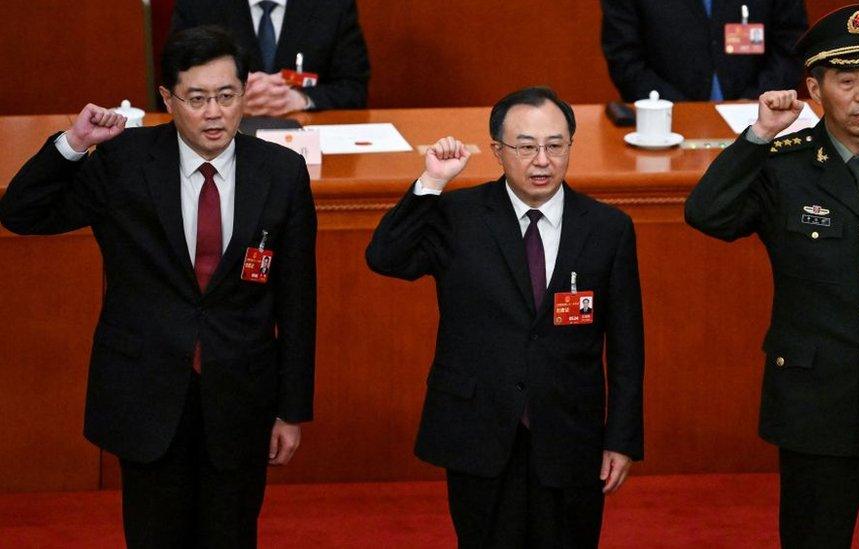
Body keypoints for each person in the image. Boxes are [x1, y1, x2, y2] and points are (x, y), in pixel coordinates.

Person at [0, 26, 317, 547]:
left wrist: (291, 409)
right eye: (196, 98)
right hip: (146, 393)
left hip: (241, 395)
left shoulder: (281, 172)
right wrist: (73, 145)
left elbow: (299, 299)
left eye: (226, 95)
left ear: (244, 93)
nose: (214, 113)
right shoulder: (124, 161)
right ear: (168, 99)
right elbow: (21, 213)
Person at [684, 5, 859, 548]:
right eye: (847, 81)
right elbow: (706, 214)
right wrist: (759, 134)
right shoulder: (782, 164)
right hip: (815, 406)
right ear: (814, 90)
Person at [366, 86, 645, 548]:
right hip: (479, 430)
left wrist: (622, 437)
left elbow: (627, 344)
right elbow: (385, 257)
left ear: (570, 146)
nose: (542, 160)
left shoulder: (607, 227)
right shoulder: (457, 214)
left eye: (555, 145)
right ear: (497, 151)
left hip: (570, 434)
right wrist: (431, 182)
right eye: (526, 147)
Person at [171, 0, 370, 115]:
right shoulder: (197, 4)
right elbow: (174, 82)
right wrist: (227, 99)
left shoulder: (334, 5)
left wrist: (299, 99)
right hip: (221, 141)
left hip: (306, 137)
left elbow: (354, 88)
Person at [600, 0, 807, 102]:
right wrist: (677, 109)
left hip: (761, 118)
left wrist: (757, 100)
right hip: (664, 123)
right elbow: (623, 57)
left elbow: (791, 45)